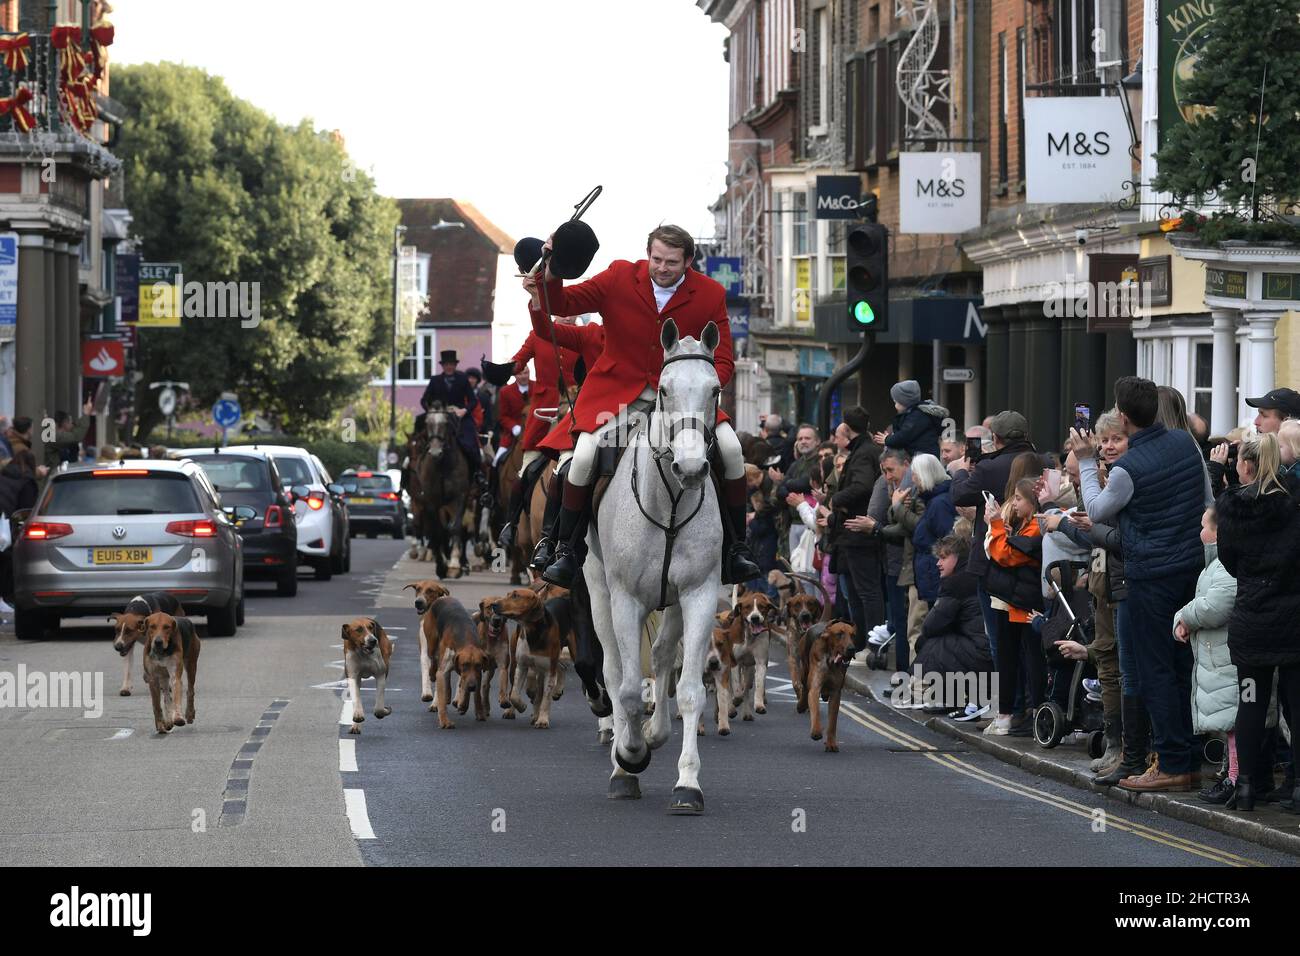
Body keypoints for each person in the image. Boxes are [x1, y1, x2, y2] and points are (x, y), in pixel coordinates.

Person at [522, 223, 759, 586]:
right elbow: (561, 304)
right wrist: (551, 269)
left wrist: (698, 383)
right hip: (616, 394)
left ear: (689, 261)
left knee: (730, 449)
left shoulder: (710, 293)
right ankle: (564, 549)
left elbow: (723, 360)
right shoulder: (619, 275)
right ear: (648, 254)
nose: (662, 268)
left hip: (682, 398)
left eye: (672, 263)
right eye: (657, 259)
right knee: (583, 456)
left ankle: (736, 550)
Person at [1074, 376, 1212, 792]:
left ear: (1122, 415)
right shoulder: (1184, 444)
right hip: (1190, 568)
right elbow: (1206, 500)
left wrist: (1084, 461)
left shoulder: (1128, 469)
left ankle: (1171, 763)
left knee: (1155, 670)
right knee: (1183, 665)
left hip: (1150, 576)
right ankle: (1185, 758)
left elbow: (1097, 510)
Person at [1215, 433, 1300, 812]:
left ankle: (1246, 786)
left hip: (1253, 621)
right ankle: (1297, 788)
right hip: (1294, 621)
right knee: (1297, 707)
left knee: (1250, 703)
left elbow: (1230, 563)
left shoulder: (1233, 512)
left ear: (1245, 465)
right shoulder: (1295, 504)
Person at [949, 410, 1043, 680]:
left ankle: (1009, 708)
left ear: (996, 438)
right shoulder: (1043, 461)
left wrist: (962, 471)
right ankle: (1028, 704)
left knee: (1000, 641)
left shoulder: (989, 467)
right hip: (1035, 557)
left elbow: (959, 495)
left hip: (995, 560)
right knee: (1032, 642)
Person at [1172, 505, 1241, 806]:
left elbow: (1217, 604)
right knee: (1231, 728)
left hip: (1226, 659)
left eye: (1203, 526)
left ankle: (1236, 779)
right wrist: (1182, 620)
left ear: (1216, 533)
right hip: (1217, 658)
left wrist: (1184, 617)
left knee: (1234, 725)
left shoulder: (1225, 565)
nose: (1199, 532)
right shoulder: (1212, 566)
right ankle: (1232, 774)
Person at [983, 477, 1045, 734]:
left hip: (1027, 606)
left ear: (1032, 502)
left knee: (1032, 664)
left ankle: (1036, 716)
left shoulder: (1035, 528)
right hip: (1014, 602)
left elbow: (1005, 555)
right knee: (1009, 660)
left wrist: (996, 525)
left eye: (1018, 498)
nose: (1014, 503)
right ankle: (1009, 714)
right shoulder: (1024, 525)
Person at [822, 408, 884, 652]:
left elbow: (862, 485)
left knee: (866, 592)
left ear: (847, 429)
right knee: (857, 594)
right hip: (852, 533)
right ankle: (860, 644)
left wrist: (837, 499)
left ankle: (872, 645)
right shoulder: (863, 450)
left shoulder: (863, 454)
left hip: (858, 533)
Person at [912, 533, 992, 716]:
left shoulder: (956, 582)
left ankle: (951, 697)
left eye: (943, 557)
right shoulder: (971, 576)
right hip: (988, 648)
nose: (938, 563)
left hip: (982, 652)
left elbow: (930, 626)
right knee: (939, 641)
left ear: (959, 557)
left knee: (930, 643)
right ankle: (953, 697)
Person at [902, 453, 957, 670]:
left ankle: (925, 682)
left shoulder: (939, 504)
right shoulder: (933, 501)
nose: (912, 479)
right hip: (929, 576)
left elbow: (948, 543)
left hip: (936, 577)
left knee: (929, 632)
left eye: (915, 474)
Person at [419, 350, 482, 473]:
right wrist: (432, 411)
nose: (449, 367)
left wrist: (464, 410)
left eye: (451, 364)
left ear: (455, 365)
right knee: (417, 442)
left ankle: (477, 474)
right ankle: (413, 474)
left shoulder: (463, 379)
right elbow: (424, 400)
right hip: (439, 417)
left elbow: (473, 400)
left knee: (471, 445)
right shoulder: (435, 380)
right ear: (442, 366)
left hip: (460, 418)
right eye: (446, 364)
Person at [873, 379, 948, 460]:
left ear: (904, 401)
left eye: (896, 402)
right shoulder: (918, 414)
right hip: (924, 456)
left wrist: (887, 440)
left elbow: (904, 435)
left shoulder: (916, 416)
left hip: (921, 459)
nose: (895, 405)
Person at [46, 399, 95, 469]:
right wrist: (86, 414)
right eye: (70, 422)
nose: (72, 425)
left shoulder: (56, 436)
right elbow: (76, 436)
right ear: (64, 423)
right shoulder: (53, 436)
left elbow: (75, 430)